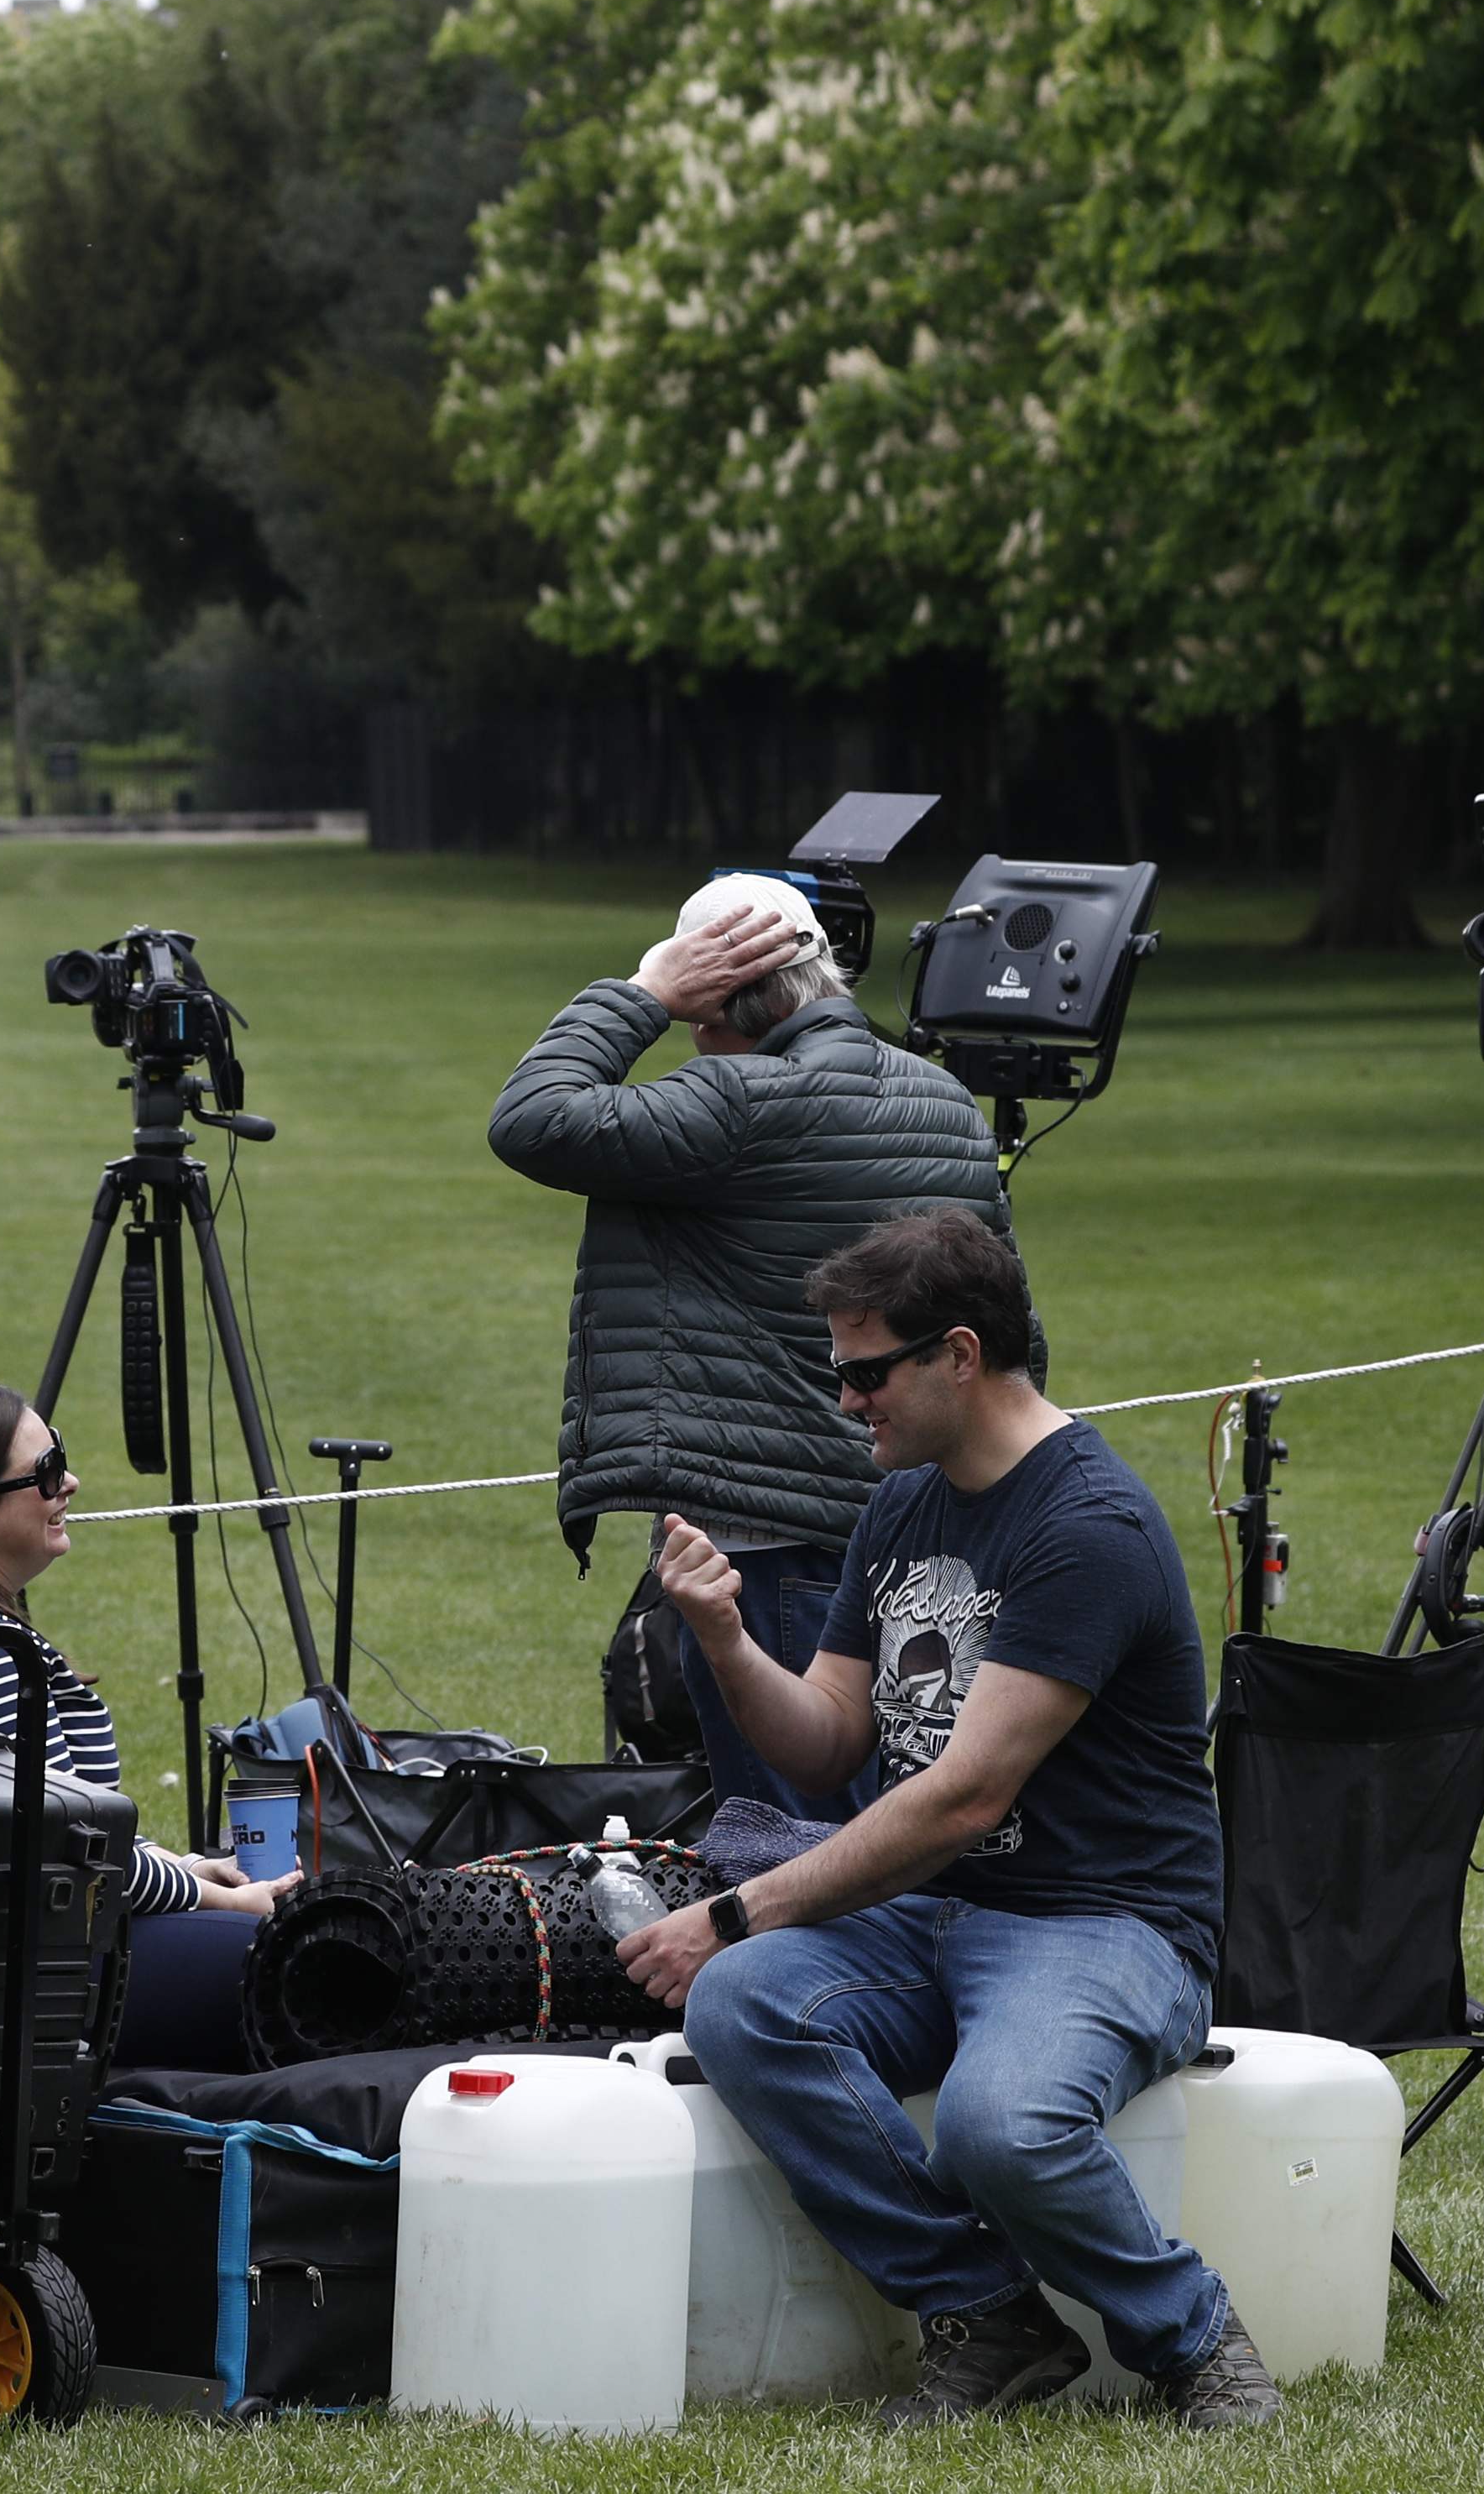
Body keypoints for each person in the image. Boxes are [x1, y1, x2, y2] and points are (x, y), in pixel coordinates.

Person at [611, 1208, 1270, 2435]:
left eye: (864, 1372)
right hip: (941, 1913)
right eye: (838, 1373)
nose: (845, 1400)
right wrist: (722, 1633)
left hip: (1107, 1926)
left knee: (996, 2125)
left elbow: (965, 1794)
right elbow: (825, 1737)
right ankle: (986, 2313)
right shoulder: (905, 1504)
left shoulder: (1088, 1527)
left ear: (956, 1356)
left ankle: (1191, 2333)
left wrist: (741, 1905)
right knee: (744, 2004)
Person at [488, 873, 1012, 1821]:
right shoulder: (947, 1102)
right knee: (906, 1827)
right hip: (923, 1522)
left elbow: (532, 1117)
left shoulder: (735, 1099)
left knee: (796, 1850)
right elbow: (1010, 1321)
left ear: (715, 999)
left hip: (769, 1546)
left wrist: (643, 991)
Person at [0, 1379, 295, 1925]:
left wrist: (186, 1867)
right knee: (275, 1952)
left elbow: (71, 1835)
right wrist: (229, 1902)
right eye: (45, 1471)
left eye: (59, 1455)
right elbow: (72, 1854)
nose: (69, 1482)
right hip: (7, 1961)